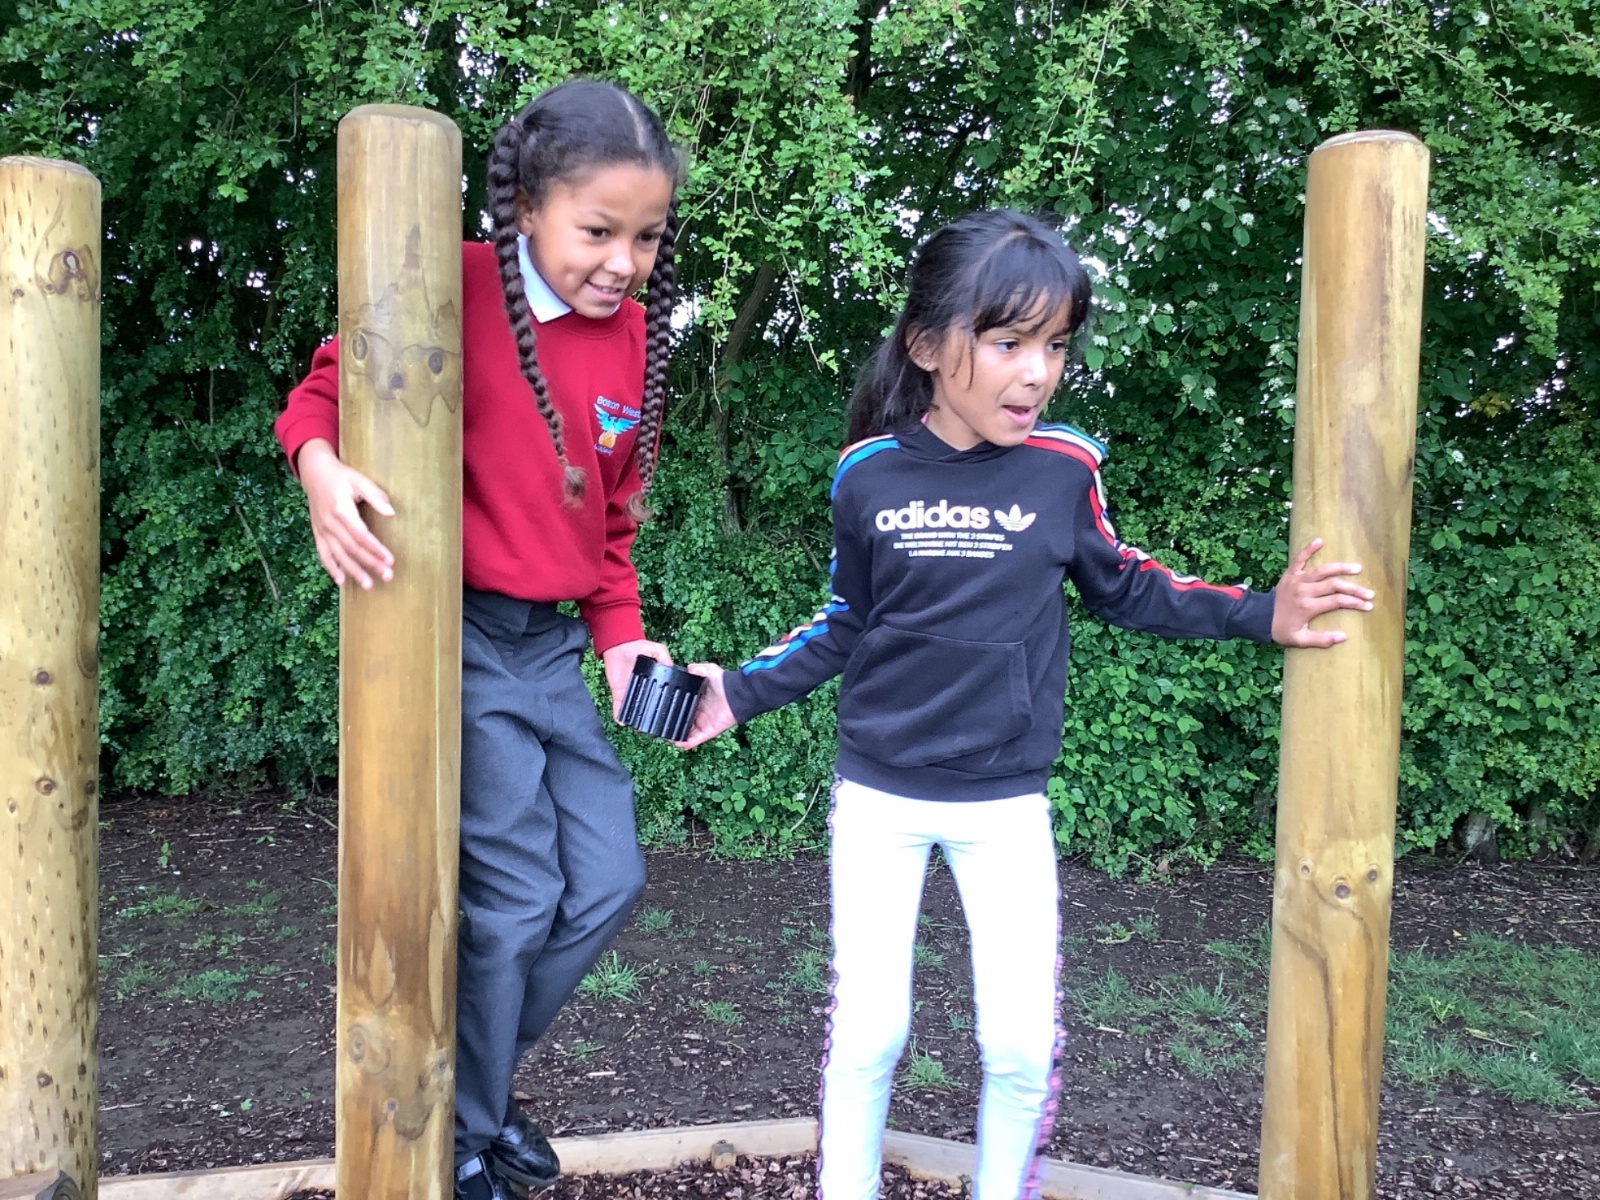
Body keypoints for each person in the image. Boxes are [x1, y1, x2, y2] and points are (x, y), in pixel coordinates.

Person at [678, 209, 1374, 1200]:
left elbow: (1127, 585)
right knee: (871, 1033)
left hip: (1004, 803)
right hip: (878, 799)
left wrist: (1266, 612)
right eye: (1008, 344)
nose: (1037, 373)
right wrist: (735, 695)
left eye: (1054, 347)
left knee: (1016, 1047)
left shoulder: (1063, 470)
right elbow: (845, 620)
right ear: (927, 347)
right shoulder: (867, 476)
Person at [274, 79, 683, 1200]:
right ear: (525, 210)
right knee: (515, 898)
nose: (624, 262)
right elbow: (319, 396)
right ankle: (465, 1133)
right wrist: (320, 472)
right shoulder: (448, 285)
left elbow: (611, 524)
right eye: (598, 231)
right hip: (450, 635)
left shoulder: (636, 340)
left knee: (609, 877)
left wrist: (622, 645)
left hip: (551, 650)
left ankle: (475, 1088)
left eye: (647, 237)